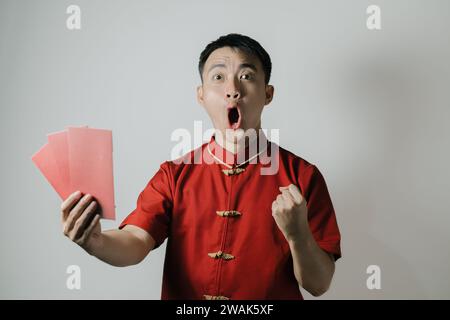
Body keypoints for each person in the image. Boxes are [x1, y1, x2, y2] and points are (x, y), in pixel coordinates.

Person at [60, 33, 341, 300]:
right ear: (201, 95)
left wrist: (298, 234)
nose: (233, 90)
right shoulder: (173, 175)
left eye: (246, 76)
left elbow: (319, 284)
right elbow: (135, 240)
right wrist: (95, 241)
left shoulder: (303, 177)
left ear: (268, 94)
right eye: (218, 77)